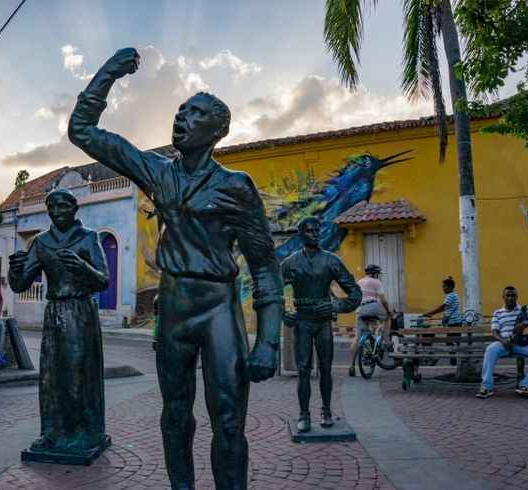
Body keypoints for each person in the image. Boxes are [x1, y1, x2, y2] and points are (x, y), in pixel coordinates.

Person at [69, 48, 283, 489]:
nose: (181, 118)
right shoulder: (158, 172)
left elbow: (264, 267)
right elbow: (83, 131)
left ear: (218, 130)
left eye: (195, 113)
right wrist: (109, 72)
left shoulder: (236, 186)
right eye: (181, 110)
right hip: (175, 310)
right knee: (174, 416)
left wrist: (268, 342)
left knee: (227, 420)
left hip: (219, 309)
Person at [9, 188, 110, 458]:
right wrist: (14, 268)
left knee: (78, 373)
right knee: (51, 376)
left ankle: (83, 431)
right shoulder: (42, 242)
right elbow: (21, 285)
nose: (55, 212)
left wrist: (82, 267)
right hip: (54, 312)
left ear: (74, 209)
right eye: (51, 207)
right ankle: (52, 433)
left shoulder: (88, 238)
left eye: (62, 207)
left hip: (80, 311)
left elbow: (103, 279)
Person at [281, 217, 361, 432]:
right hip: (303, 322)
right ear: (301, 234)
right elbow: (272, 291)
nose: (315, 234)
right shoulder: (289, 263)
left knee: (326, 368)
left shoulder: (331, 261)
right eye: (309, 231)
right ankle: (304, 415)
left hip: (324, 322)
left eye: (317, 230)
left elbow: (355, 294)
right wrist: (283, 312)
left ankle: (326, 411)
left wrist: (336, 306)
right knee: (304, 370)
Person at [476, 286, 528, 399]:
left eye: (513, 295)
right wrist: (503, 341)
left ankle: (526, 386)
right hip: (504, 343)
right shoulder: (498, 313)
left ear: (517, 297)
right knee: (490, 349)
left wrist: (525, 323)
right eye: (507, 295)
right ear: (503, 297)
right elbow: (494, 331)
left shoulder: (525, 309)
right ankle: (486, 387)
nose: (510, 298)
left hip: (523, 344)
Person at [348, 264, 391, 376]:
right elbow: (383, 300)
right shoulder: (376, 282)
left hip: (360, 309)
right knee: (387, 318)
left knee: (357, 337)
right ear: (375, 273)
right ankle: (386, 342)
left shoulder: (359, 282)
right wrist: (388, 310)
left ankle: (351, 366)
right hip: (372, 307)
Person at [422, 276, 462, 365]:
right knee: (451, 342)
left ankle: (451, 360)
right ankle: (453, 360)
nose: (443, 289)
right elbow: (447, 309)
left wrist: (430, 313)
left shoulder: (451, 296)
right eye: (443, 286)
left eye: (445, 286)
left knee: (450, 342)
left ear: (451, 287)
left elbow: (442, 307)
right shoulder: (453, 295)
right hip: (455, 322)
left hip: (454, 323)